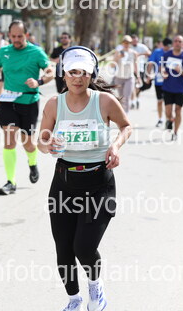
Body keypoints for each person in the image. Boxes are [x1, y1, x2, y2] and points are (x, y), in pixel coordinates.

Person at [38, 46, 132, 311]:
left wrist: (115, 146)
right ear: (63, 74)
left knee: (84, 247)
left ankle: (95, 286)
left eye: (83, 72)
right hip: (64, 183)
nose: (77, 78)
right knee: (64, 249)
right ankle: (74, 300)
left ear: (92, 74)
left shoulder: (104, 101)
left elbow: (126, 126)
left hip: (99, 184)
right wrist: (48, 144)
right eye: (72, 72)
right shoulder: (54, 104)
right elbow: (41, 141)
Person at [0, 20, 53, 195]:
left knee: (28, 143)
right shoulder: (4, 52)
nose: (16, 40)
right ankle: (11, 181)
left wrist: (38, 82)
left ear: (26, 35)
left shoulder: (36, 52)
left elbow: (50, 72)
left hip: (29, 102)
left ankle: (32, 163)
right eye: (13, 36)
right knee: (9, 141)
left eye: (20, 36)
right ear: (9, 35)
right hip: (8, 101)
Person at [160, 35, 183, 141]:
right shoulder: (166, 55)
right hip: (168, 87)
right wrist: (163, 73)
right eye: (176, 41)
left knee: (178, 110)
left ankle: (175, 132)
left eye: (180, 41)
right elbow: (161, 67)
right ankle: (169, 120)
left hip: (180, 88)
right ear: (173, 43)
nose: (177, 43)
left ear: (182, 44)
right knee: (168, 111)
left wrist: (181, 71)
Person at [146, 38, 172, 127]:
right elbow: (150, 63)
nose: (168, 48)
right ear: (163, 45)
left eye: (169, 47)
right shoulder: (157, 52)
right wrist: (148, 75)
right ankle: (160, 119)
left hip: (169, 81)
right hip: (159, 81)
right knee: (160, 101)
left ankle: (168, 119)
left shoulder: (172, 53)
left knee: (168, 102)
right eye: (166, 46)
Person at [112, 35, 140, 113]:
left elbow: (136, 65)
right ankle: (121, 114)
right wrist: (118, 57)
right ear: (122, 43)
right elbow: (112, 65)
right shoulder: (118, 52)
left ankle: (125, 115)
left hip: (129, 78)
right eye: (125, 42)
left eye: (128, 42)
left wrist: (138, 77)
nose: (126, 44)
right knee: (121, 98)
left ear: (130, 43)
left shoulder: (134, 53)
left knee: (127, 97)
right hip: (119, 77)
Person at [130, 34, 151, 109]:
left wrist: (139, 54)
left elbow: (149, 53)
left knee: (138, 86)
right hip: (131, 69)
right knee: (133, 85)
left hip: (140, 68)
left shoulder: (142, 46)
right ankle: (133, 101)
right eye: (133, 41)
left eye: (136, 40)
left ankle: (137, 99)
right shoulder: (129, 47)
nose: (135, 42)